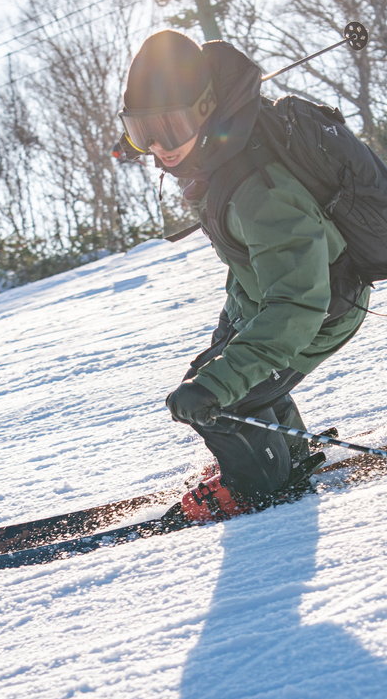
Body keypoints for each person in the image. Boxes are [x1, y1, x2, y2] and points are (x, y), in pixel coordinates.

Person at [119, 30, 370, 522]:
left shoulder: (261, 190)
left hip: (320, 307)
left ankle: (263, 490)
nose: (157, 148)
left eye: (170, 129)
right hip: (265, 297)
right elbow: (257, 270)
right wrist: (226, 347)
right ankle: (286, 454)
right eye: (140, 132)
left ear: (208, 107)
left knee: (224, 397)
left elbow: (297, 304)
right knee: (211, 379)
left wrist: (221, 384)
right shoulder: (216, 153)